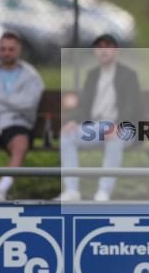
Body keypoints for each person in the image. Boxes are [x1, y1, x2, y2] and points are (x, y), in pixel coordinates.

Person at [56, 34, 141, 202]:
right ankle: (72, 190)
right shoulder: (92, 75)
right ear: (95, 51)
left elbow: (132, 106)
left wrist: (118, 125)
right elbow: (83, 105)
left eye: (108, 46)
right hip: (95, 127)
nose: (104, 51)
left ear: (116, 50)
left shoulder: (128, 75)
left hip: (125, 127)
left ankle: (103, 192)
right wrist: (72, 121)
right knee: (66, 135)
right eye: (100, 47)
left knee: (115, 137)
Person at [0, 30, 44, 201]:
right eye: (3, 49)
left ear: (19, 51)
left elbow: (29, 104)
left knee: (20, 144)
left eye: (11, 49)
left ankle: (0, 191)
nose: (6, 53)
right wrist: (13, 101)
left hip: (16, 122)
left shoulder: (31, 76)